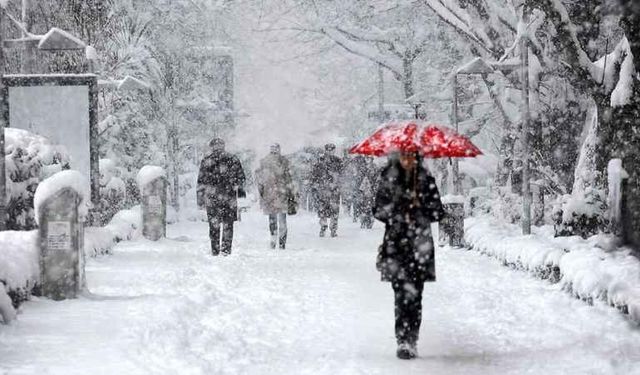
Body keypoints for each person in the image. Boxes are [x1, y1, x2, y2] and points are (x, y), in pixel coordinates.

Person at [372, 151, 445, 360]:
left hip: (419, 245)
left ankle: (412, 338)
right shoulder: (389, 178)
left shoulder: (425, 179)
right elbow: (377, 210)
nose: (408, 160)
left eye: (412, 156)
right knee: (401, 296)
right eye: (404, 156)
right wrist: (397, 211)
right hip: (396, 245)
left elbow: (438, 212)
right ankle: (402, 339)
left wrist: (419, 208)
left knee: (416, 296)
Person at [197, 138, 246, 256]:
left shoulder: (206, 161)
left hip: (212, 197)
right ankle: (226, 249)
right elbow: (241, 178)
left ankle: (215, 249)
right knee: (228, 224)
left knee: (214, 224)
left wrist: (200, 199)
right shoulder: (233, 159)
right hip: (228, 197)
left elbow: (201, 181)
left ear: (212, 147)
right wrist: (239, 191)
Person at [255, 143, 297, 249]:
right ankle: (281, 242)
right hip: (281, 193)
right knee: (282, 219)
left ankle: (273, 239)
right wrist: (292, 192)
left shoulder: (264, 162)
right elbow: (290, 179)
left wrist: (262, 192)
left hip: (270, 194)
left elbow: (260, 180)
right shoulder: (284, 162)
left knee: (273, 218)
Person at [310, 143, 343, 237]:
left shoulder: (337, 161)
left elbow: (342, 175)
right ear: (326, 150)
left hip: (331, 189)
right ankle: (326, 226)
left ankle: (330, 228)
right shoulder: (321, 161)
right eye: (329, 150)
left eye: (332, 150)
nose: (330, 151)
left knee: (329, 209)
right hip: (325, 189)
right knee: (326, 209)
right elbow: (314, 175)